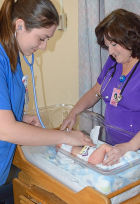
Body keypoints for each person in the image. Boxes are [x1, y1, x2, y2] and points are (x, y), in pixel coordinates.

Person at [0, 0, 93, 189]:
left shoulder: (12, 56)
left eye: (47, 40)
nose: (43, 47)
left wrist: (21, 117)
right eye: (42, 38)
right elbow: (6, 129)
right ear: (19, 25)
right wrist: (65, 137)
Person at [61, 9, 140, 166]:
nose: (110, 52)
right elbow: (96, 91)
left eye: (114, 44)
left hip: (134, 151)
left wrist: (130, 147)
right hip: (112, 147)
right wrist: (73, 113)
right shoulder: (113, 63)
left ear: (131, 37)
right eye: (108, 46)